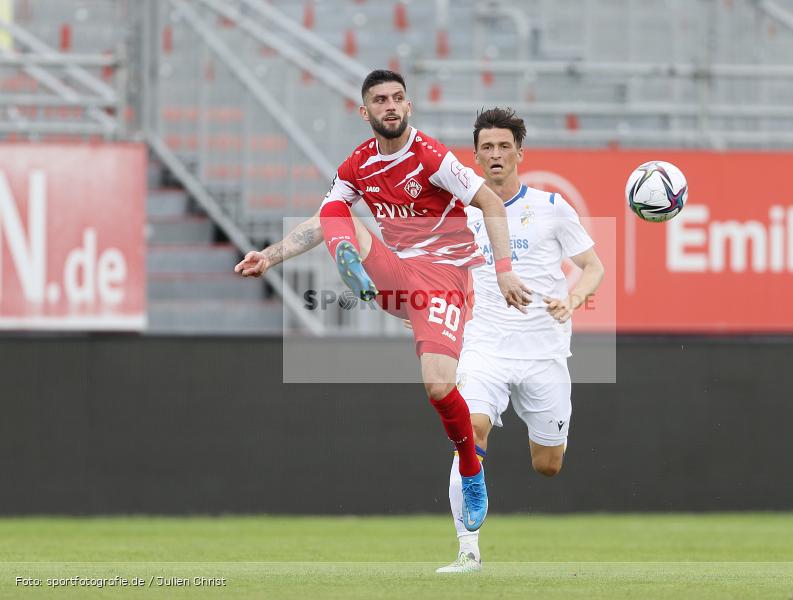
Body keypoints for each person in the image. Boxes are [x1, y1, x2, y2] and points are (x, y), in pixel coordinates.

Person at [234, 71, 531, 532]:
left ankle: (471, 471)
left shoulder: (431, 157)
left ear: (408, 106)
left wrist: (504, 269)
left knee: (438, 386)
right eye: (380, 99)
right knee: (334, 208)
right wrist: (269, 257)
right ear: (364, 111)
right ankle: (348, 260)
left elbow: (491, 203)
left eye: (397, 98)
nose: (390, 105)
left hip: (442, 280)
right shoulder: (358, 164)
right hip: (394, 275)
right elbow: (321, 220)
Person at [434, 107, 604, 573]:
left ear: (519, 153)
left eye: (503, 146)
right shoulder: (461, 213)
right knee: (469, 431)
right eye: (486, 147)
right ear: (474, 156)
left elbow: (594, 267)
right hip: (484, 347)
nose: (495, 154)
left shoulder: (551, 207)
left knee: (548, 464)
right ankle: (468, 550)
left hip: (544, 352)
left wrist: (572, 300)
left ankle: (547, 438)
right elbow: (440, 272)